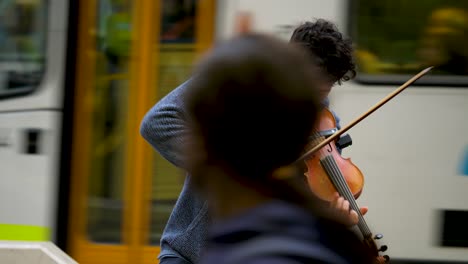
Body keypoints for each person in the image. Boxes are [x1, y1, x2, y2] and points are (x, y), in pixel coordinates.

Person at [140, 18, 366, 264]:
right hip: (190, 253)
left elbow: (304, 200)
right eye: (315, 84)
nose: (320, 95)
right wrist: (225, 165)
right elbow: (158, 121)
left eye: (328, 86)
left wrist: (331, 219)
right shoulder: (242, 85)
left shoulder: (323, 121)